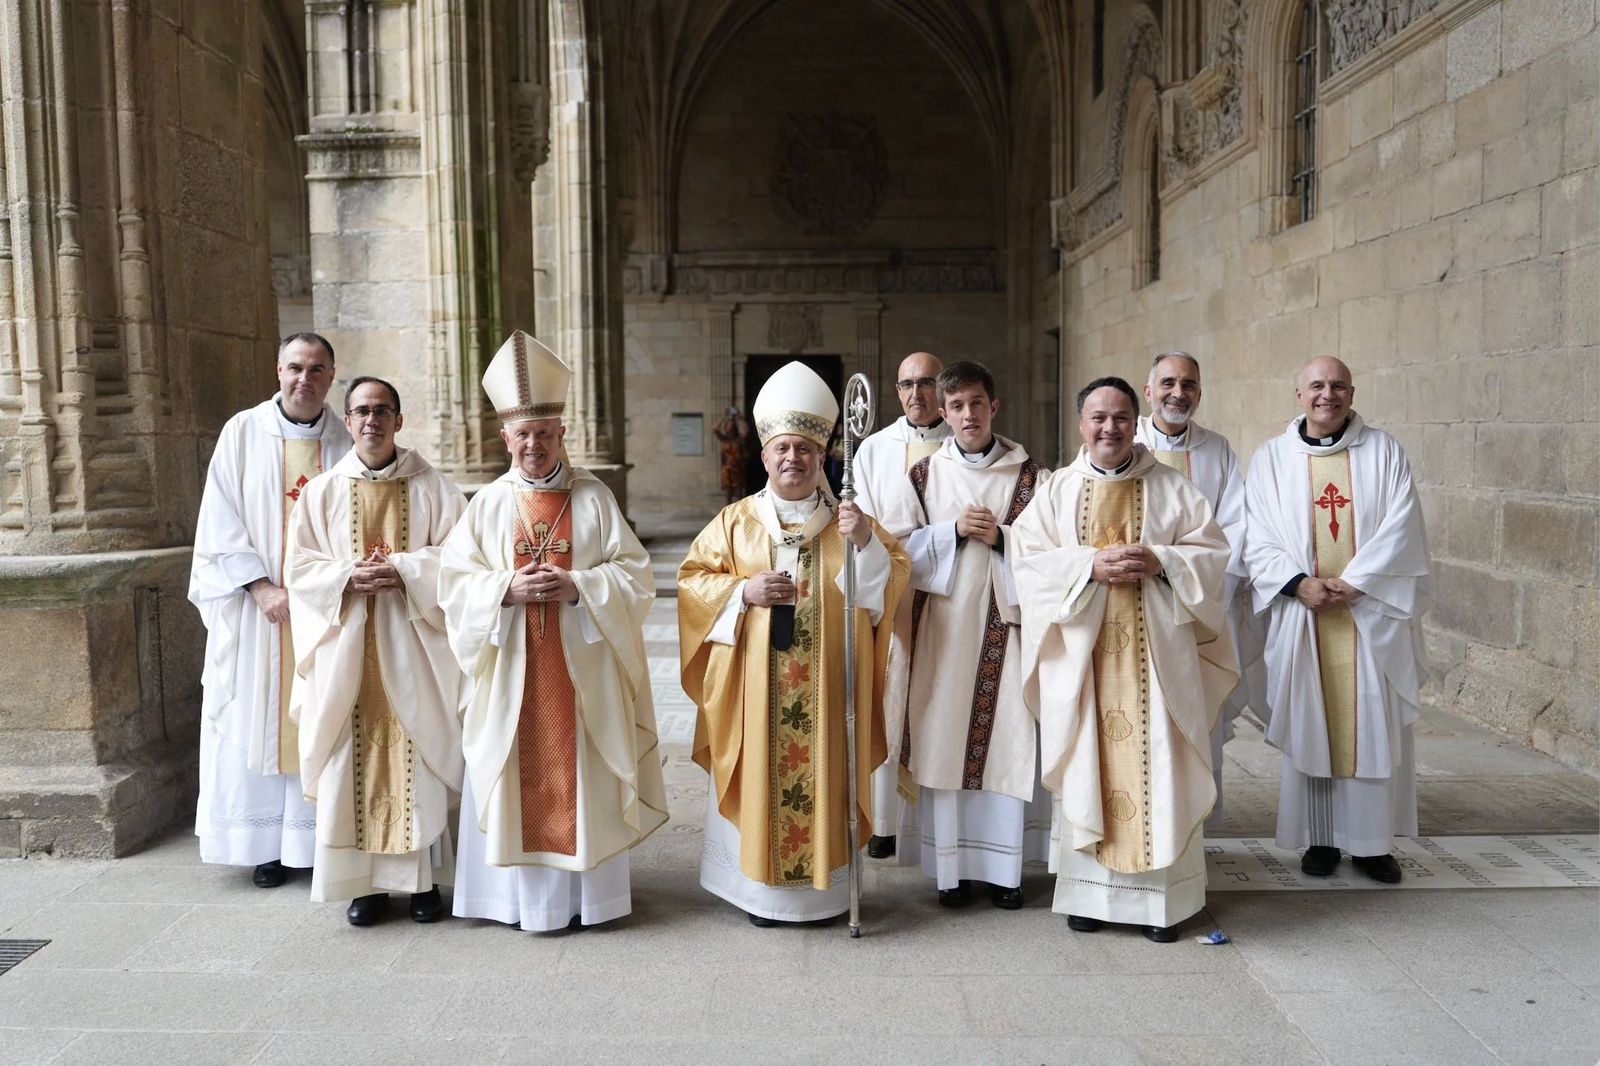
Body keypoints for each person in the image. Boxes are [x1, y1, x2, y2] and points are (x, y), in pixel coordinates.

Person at [439, 331, 668, 931]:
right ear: (505, 439)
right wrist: (503, 591)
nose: (534, 444)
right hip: (512, 669)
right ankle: (511, 904)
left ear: (562, 433)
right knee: (515, 771)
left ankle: (586, 903)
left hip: (579, 673)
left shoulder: (593, 498)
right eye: (522, 435)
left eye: (544, 432)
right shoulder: (487, 504)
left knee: (579, 772)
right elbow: (454, 582)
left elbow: (636, 576)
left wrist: (580, 588)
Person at [678, 361, 910, 926]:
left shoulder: (850, 522)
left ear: (821, 456)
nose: (792, 459)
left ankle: (826, 896)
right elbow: (692, 582)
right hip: (755, 693)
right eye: (782, 448)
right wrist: (743, 591)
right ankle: (760, 894)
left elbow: (889, 588)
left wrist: (867, 550)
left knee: (824, 770)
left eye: (805, 449)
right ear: (764, 456)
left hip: (830, 692)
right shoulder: (735, 523)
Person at [1013, 376, 1236, 942]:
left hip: (1156, 664)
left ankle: (1162, 907)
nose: (1108, 428)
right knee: (1090, 760)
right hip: (1085, 665)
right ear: (1081, 425)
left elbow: (1211, 556)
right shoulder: (1058, 491)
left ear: (1133, 422)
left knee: (1160, 764)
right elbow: (1028, 561)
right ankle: (1091, 898)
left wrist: (1161, 561)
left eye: (1119, 417)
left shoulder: (1173, 488)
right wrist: (1088, 567)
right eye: (1097, 418)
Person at [284, 376, 466, 925]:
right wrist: (347, 578)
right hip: (346, 654)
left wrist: (405, 569)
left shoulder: (434, 488)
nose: (371, 420)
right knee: (349, 759)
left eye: (382, 410)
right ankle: (363, 886)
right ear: (347, 420)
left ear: (399, 420)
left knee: (420, 754)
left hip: (414, 649)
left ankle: (423, 885)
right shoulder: (321, 492)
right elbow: (299, 569)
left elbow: (461, 564)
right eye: (361, 411)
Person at [1244, 356, 1431, 884]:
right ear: (1298, 394)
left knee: (1370, 721)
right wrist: (1299, 583)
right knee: (1313, 715)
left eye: (1339, 386)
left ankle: (1372, 846)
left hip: (1366, 612)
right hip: (1302, 613)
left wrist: (1358, 581)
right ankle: (1320, 840)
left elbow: (1403, 523)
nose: (1329, 394)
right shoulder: (1271, 459)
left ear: (1352, 392)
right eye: (1318, 386)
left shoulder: (1384, 450)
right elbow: (1255, 534)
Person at [876, 361, 1048, 909]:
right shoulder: (924, 477)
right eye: (957, 407)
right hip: (943, 638)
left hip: (1008, 634)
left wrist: (1004, 540)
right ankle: (951, 874)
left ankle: (1005, 875)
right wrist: (949, 532)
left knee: (1007, 746)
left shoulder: (1033, 477)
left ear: (994, 407)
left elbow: (1054, 555)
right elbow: (896, 554)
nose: (968, 414)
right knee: (945, 744)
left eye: (977, 403)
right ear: (943, 413)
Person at [189, 333, 352, 887]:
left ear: (332, 376)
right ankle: (264, 847)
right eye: (295, 368)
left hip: (326, 612)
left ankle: (317, 840)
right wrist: (260, 587)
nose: (305, 379)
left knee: (321, 714)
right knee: (256, 712)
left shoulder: (348, 439)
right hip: (263, 615)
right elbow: (220, 516)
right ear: (278, 371)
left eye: (317, 369)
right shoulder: (243, 432)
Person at [1135, 351, 1268, 828]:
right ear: (1148, 391)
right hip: (1137, 611)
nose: (1178, 393)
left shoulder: (1217, 450)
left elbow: (1235, 529)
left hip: (1203, 612)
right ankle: (1143, 823)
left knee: (1202, 718)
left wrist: (1201, 591)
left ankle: (1199, 834)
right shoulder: (1118, 441)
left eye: (1188, 385)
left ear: (1199, 392)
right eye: (1167, 383)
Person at [850, 351, 952, 860]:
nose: (917, 394)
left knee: (940, 706)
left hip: (953, 599)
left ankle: (933, 824)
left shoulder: (966, 444)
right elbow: (862, 525)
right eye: (907, 384)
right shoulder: (873, 450)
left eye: (928, 382)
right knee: (890, 703)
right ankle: (886, 822)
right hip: (891, 595)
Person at [713, 407, 753, 504]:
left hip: (737, 468)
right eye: (727, 426)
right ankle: (729, 511)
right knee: (728, 493)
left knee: (739, 492)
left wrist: (739, 418)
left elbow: (746, 430)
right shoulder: (724, 439)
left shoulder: (739, 439)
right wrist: (724, 417)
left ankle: (740, 510)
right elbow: (715, 429)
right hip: (727, 469)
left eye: (731, 425)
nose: (729, 427)